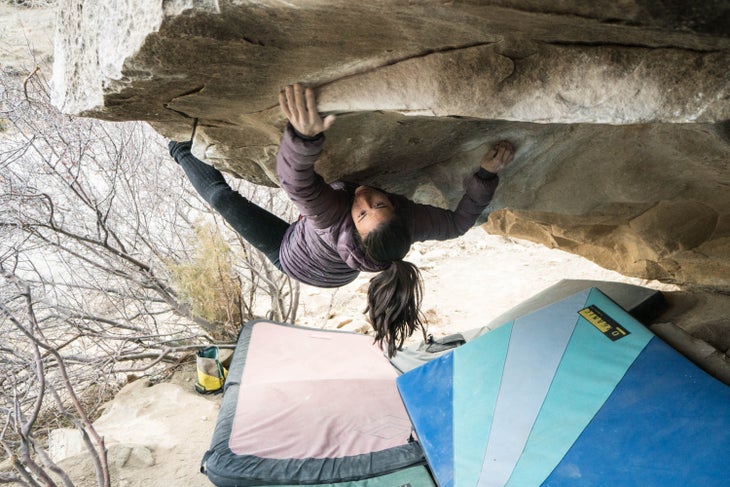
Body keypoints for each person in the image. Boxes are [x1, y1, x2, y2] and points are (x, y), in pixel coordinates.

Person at [169, 83, 514, 357]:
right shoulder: (409, 223)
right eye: (379, 202)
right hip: (337, 269)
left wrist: (304, 138)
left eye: (363, 212)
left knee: (223, 199)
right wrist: (485, 175)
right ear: (396, 209)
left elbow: (296, 182)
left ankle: (179, 149)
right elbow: (457, 225)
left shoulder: (333, 216)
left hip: (291, 257)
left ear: (354, 225)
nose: (363, 198)